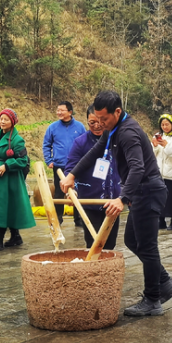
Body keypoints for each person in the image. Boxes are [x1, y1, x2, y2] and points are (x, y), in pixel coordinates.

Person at [62, 90, 172, 316]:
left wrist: (121, 198)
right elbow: (95, 151)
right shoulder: (113, 129)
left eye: (104, 119)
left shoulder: (128, 133)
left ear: (117, 111)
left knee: (146, 245)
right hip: (140, 192)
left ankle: (153, 300)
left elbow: (138, 168)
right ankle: (164, 282)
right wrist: (72, 175)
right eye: (96, 119)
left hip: (148, 191)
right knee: (132, 241)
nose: (100, 124)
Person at [67, 106, 122, 250]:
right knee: (93, 245)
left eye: (100, 122)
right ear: (86, 122)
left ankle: (107, 272)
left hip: (112, 204)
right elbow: (70, 170)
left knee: (110, 245)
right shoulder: (80, 142)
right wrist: (72, 190)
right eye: (92, 122)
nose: (97, 126)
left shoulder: (117, 140)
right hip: (90, 202)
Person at [0, 108, 35, 251]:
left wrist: (7, 165)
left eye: (6, 119)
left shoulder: (18, 140)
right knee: (4, 206)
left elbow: (23, 160)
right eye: (1, 119)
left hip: (10, 179)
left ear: (12, 122)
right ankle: (16, 236)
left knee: (4, 207)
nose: (3, 121)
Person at [43, 101, 87, 226]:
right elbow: (46, 144)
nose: (59, 112)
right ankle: (58, 218)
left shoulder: (79, 127)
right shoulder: (52, 127)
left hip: (76, 165)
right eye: (58, 110)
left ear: (70, 112)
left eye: (62, 110)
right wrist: (49, 160)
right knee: (59, 192)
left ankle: (78, 220)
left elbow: (85, 144)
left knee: (78, 191)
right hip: (59, 166)